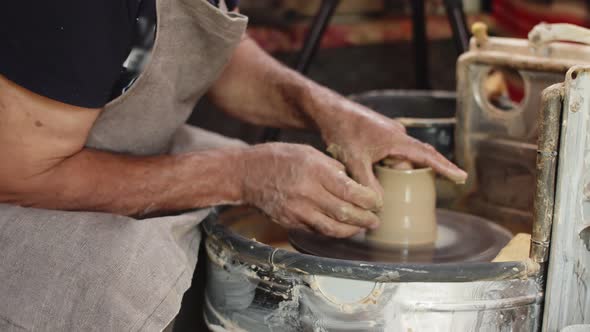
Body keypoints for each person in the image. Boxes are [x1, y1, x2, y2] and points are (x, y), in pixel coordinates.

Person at [0, 0, 467, 330]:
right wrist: (242, 175)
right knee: (122, 276)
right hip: (25, 180)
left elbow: (201, 48)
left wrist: (329, 112)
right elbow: (20, 171)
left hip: (90, 137)